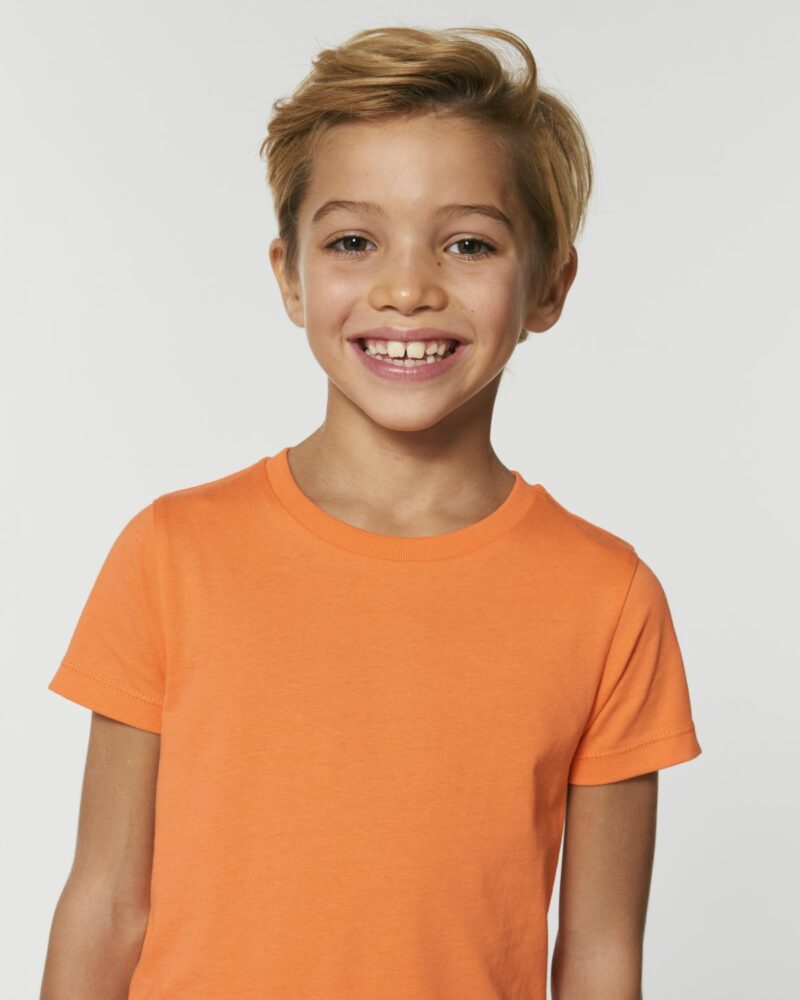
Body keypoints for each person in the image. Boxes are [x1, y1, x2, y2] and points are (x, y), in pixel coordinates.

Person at [41, 24, 702, 1000]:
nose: (405, 289)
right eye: (354, 241)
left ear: (548, 286)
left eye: (468, 243)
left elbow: (599, 950)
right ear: (289, 275)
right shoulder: (172, 553)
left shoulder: (608, 598)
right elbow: (105, 903)